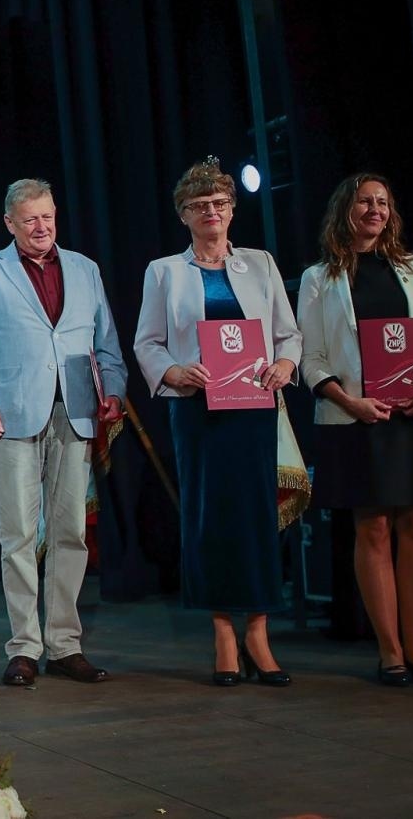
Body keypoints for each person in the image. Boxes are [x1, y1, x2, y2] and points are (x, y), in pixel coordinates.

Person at [296, 174, 413, 687]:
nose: (375, 209)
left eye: (383, 202)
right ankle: (390, 652)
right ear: (346, 209)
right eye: (365, 201)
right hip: (360, 418)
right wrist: (349, 401)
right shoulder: (320, 278)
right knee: (374, 528)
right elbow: (310, 357)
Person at [0, 178, 127, 688]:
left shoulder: (85, 269)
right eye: (30, 219)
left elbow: (107, 340)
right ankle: (25, 647)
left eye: (48, 216)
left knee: (71, 532)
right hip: (11, 415)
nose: (41, 226)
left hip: (74, 413)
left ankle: (65, 645)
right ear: (10, 223)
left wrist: (112, 389)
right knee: (19, 537)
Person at [133, 157, 302, 687]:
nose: (212, 212)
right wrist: (175, 371)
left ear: (232, 210)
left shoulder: (262, 263)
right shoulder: (164, 271)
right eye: (200, 206)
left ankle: (259, 633)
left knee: (255, 517)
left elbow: (288, 334)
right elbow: (148, 343)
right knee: (211, 519)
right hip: (198, 413)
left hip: (253, 411)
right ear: (183, 215)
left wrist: (285, 365)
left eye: (221, 204)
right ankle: (224, 634)